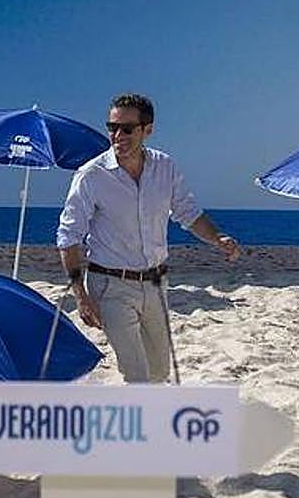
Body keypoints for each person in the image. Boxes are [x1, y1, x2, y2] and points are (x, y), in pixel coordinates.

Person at [56, 93, 241, 383]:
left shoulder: (165, 167)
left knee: (159, 372)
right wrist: (81, 296)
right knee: (137, 376)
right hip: (110, 286)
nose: (118, 135)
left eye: (127, 128)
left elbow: (188, 212)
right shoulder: (91, 176)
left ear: (147, 130)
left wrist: (218, 238)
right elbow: (68, 237)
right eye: (112, 127)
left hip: (156, 284)